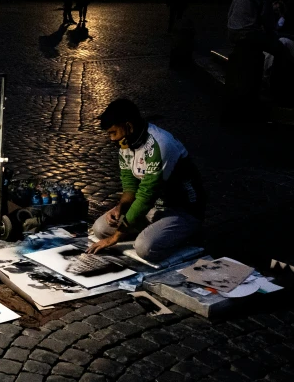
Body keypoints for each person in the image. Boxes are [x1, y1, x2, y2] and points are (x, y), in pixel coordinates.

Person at [86, 99, 206, 261]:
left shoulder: (161, 145)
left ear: (129, 127)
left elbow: (146, 195)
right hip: (152, 209)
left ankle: (185, 240)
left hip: (181, 211)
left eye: (113, 133)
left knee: (144, 248)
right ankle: (154, 233)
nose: (111, 139)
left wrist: (115, 237)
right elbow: (130, 186)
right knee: (100, 229)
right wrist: (120, 207)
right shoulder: (127, 143)